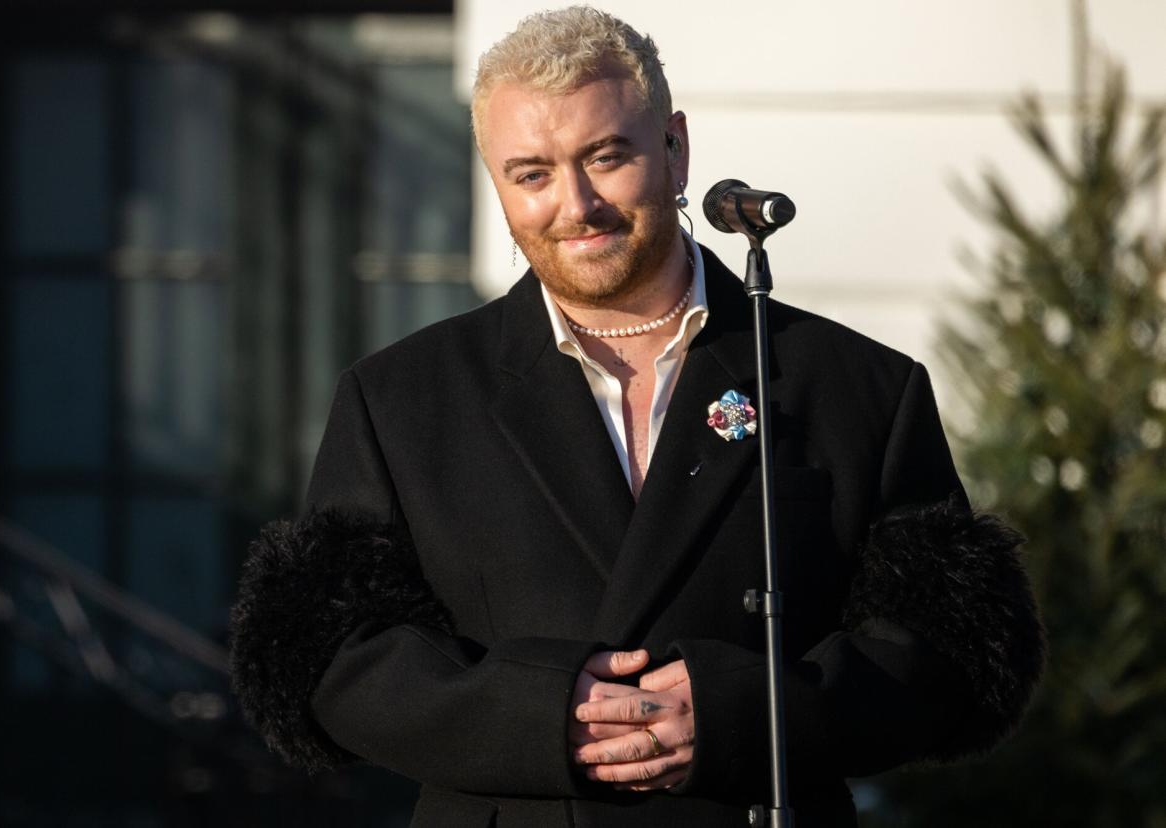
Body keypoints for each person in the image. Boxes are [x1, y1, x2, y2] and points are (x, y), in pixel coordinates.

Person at [230, 7, 1044, 826]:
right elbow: (333, 661)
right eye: (532, 174)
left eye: (606, 157)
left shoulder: (855, 384)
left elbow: (954, 659)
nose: (575, 205)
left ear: (676, 148)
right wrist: (546, 716)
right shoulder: (399, 399)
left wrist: (746, 717)